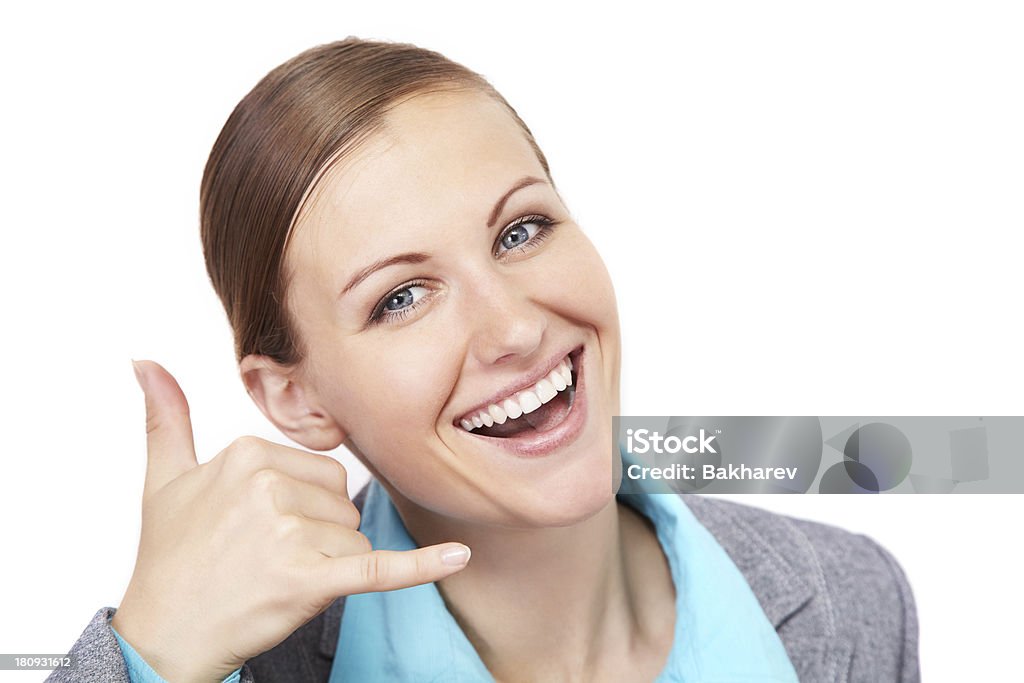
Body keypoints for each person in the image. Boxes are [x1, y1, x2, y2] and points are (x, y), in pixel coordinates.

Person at [50, 39, 919, 682]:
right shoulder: (239, 665)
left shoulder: (855, 601)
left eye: (520, 230)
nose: (512, 329)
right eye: (401, 297)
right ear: (297, 397)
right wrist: (151, 652)